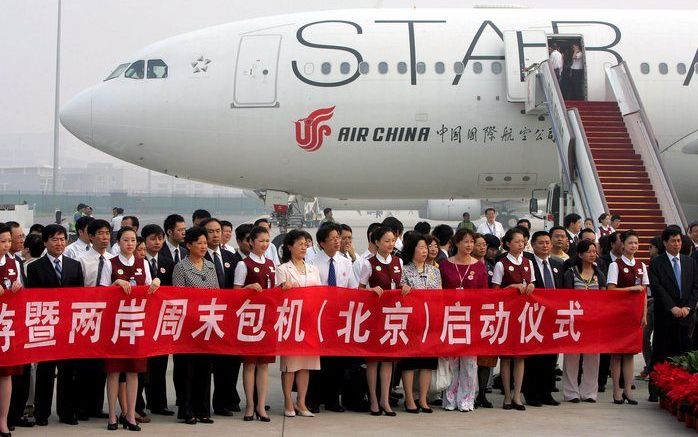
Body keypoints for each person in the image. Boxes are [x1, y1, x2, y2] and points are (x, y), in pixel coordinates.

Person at [100, 226, 160, 431]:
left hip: (137, 325)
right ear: (118, 243)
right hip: (116, 326)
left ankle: (130, 414)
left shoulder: (143, 263)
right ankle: (112, 416)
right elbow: (100, 293)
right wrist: (116, 282)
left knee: (134, 372)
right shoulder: (110, 264)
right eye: (126, 240)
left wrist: (156, 283)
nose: (130, 244)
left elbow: (151, 289)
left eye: (133, 240)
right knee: (114, 372)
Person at [27, 224, 85, 426]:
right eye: (54, 239)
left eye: (62, 239)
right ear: (45, 242)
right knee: (45, 371)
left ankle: (67, 412)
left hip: (68, 327)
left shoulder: (74, 265)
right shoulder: (34, 268)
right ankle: (41, 413)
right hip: (46, 326)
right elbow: (33, 299)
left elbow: (79, 299)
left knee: (68, 372)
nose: (59, 243)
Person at [308, 223, 358, 412]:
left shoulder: (345, 262)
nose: (338, 241)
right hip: (319, 317)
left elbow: (353, 288)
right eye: (333, 238)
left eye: (339, 237)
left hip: (339, 317)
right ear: (322, 243)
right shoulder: (312, 262)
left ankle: (332, 399)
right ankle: (314, 399)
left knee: (337, 361)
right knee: (317, 361)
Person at [172, 226, 219, 425]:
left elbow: (216, 293)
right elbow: (178, 296)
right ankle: (186, 409)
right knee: (187, 370)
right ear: (188, 245)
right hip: (187, 327)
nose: (203, 246)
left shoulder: (210, 266)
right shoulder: (181, 267)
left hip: (207, 325)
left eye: (204, 243)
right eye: (199, 243)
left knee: (204, 369)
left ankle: (203, 409)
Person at [439, 229, 488, 411]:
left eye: (471, 242)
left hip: (471, 318)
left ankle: (467, 399)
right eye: (465, 241)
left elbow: (484, 294)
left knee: (469, 361)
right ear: (456, 243)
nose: (469, 245)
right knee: (452, 360)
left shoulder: (479, 266)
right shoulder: (445, 265)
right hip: (451, 316)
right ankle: (450, 398)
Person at [275, 230, 322, 418]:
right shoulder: (282, 269)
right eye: (300, 244)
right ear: (289, 247)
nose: (304, 247)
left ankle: (301, 402)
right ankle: (288, 401)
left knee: (306, 364)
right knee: (290, 365)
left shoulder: (313, 269)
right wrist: (283, 289)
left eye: (305, 244)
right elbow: (277, 296)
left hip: (309, 322)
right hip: (290, 322)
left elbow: (319, 294)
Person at [358, 226, 402, 416]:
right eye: (386, 241)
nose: (390, 244)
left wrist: (405, 288)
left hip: (392, 316)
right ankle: (374, 400)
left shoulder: (398, 261)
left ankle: (385, 399)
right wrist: (370, 290)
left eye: (392, 240)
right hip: (375, 316)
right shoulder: (369, 263)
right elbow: (359, 289)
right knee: (373, 360)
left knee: (388, 361)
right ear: (377, 242)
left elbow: (399, 285)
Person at [649, 227, 698, 394]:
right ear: (665, 243)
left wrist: (688, 307)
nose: (676, 244)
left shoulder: (689, 262)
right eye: (673, 241)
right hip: (665, 315)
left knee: (683, 353)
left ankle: (680, 391)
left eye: (678, 240)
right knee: (661, 352)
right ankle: (656, 391)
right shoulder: (657, 262)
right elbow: (657, 288)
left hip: (686, 316)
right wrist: (672, 307)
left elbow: (695, 288)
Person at [233, 225, 274, 422]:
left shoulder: (271, 263)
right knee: (249, 364)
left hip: (267, 320)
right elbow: (235, 293)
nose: (264, 245)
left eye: (267, 241)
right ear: (251, 242)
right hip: (249, 320)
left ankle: (261, 405)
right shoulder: (244, 264)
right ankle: (249, 405)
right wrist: (248, 288)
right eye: (261, 241)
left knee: (264, 365)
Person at [200, 218, 240, 416]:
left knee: (229, 364)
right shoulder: (197, 258)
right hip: (205, 319)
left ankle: (224, 402)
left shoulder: (230, 257)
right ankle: (201, 405)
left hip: (228, 319)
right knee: (207, 366)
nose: (215, 235)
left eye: (218, 231)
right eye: (210, 231)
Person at [492, 228, 535, 411]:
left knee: (520, 356)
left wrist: (531, 286)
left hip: (524, 314)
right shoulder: (501, 264)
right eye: (517, 241)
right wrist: (511, 287)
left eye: (522, 241)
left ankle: (517, 394)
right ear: (508, 243)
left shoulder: (528, 262)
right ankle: (507, 396)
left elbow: (532, 282)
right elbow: (494, 292)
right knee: (507, 357)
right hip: (507, 315)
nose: (521, 244)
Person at [399, 233, 441, 414]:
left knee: (427, 362)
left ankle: (423, 399)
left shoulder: (435, 271)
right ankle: (409, 398)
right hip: (410, 322)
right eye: (421, 247)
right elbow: (399, 292)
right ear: (412, 249)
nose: (425, 251)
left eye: (427, 248)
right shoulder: (404, 269)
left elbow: (440, 294)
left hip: (429, 321)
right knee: (409, 362)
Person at [606, 230, 648, 405]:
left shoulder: (641, 265)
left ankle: (628, 391)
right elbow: (610, 289)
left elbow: (644, 292)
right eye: (631, 243)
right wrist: (631, 289)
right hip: (618, 314)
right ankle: (616, 390)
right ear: (623, 244)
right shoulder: (615, 265)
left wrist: (644, 313)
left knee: (630, 354)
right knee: (617, 354)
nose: (634, 246)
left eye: (636, 243)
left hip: (634, 314)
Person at [522, 231, 564, 407]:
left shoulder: (558, 264)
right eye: (541, 243)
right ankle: (531, 393)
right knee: (533, 357)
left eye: (547, 242)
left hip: (553, 316)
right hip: (533, 316)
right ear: (532, 244)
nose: (545, 245)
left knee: (551, 357)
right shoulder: (526, 264)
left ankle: (546, 392)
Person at [78, 219, 114, 420]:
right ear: (90, 237)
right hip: (87, 317)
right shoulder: (82, 260)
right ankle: (82, 406)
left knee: (102, 365)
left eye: (107, 233)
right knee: (86, 365)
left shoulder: (112, 259)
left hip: (107, 318)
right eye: (100, 233)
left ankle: (96, 406)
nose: (105, 237)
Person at [562, 240, 606, 403]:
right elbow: (565, 297)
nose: (592, 254)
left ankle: (589, 392)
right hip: (574, 321)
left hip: (593, 321)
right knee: (572, 357)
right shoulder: (570, 273)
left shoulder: (599, 274)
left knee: (593, 357)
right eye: (589, 251)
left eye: (594, 251)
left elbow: (604, 296)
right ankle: (571, 392)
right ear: (580, 254)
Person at [139, 224, 175, 417]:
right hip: (142, 320)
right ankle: (138, 404)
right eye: (153, 238)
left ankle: (158, 403)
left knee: (160, 364)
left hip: (161, 319)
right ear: (144, 240)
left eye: (160, 238)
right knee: (141, 365)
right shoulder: (138, 261)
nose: (157, 242)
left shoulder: (168, 263)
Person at [0, 223, 25, 436]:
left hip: (6, 325)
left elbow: (19, 288)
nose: (7, 245)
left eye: (9, 241)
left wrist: (17, 288)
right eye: (2, 241)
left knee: (6, 375)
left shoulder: (14, 262)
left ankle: (3, 420)